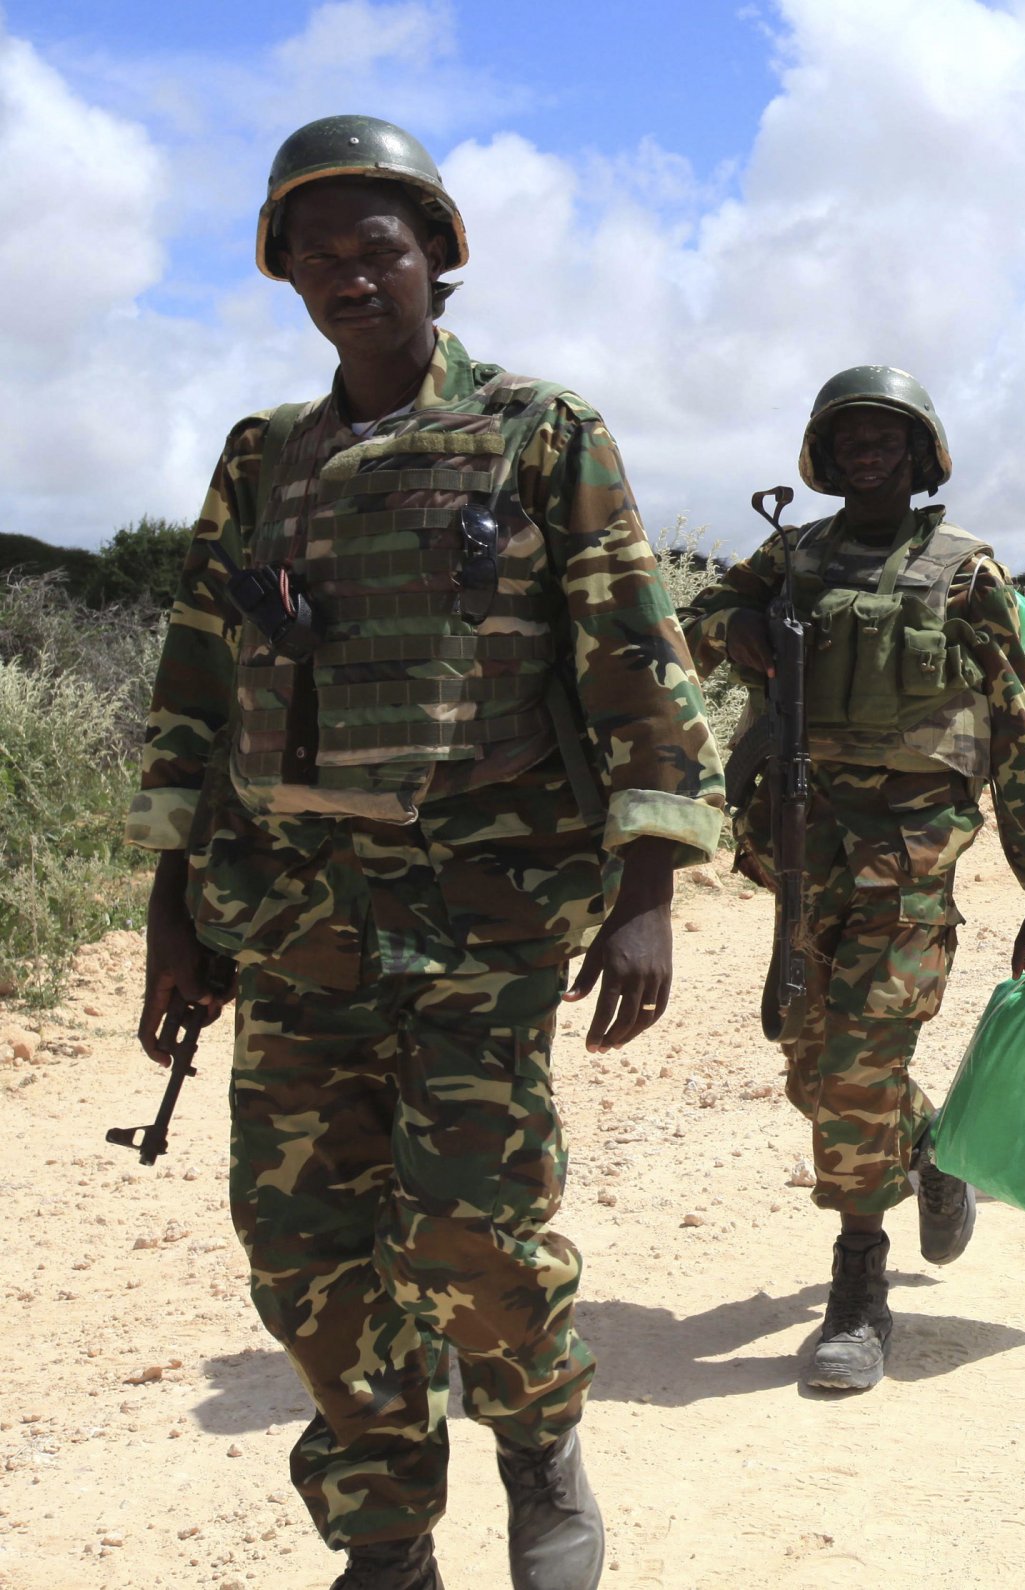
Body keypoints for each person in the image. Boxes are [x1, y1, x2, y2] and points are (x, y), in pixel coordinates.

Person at [125, 116, 725, 1590]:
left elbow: (633, 655)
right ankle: (386, 1536)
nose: (348, 274)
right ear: (285, 274)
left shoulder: (541, 430)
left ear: (436, 259)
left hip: (484, 907)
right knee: (303, 1252)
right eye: (315, 253)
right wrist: (169, 899)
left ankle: (538, 1449)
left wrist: (647, 886)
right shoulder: (265, 456)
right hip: (290, 914)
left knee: (473, 1235)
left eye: (376, 246)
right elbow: (197, 683)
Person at [682, 367, 1025, 1394]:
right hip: (801, 848)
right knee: (814, 1070)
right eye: (847, 438)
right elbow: (694, 627)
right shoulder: (792, 556)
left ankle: (859, 1287)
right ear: (823, 455)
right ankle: (930, 1149)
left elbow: (1020, 737)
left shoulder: (964, 574)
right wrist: (737, 627)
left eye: (883, 438)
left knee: (856, 1065)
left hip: (911, 852)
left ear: (917, 454)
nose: (864, 453)